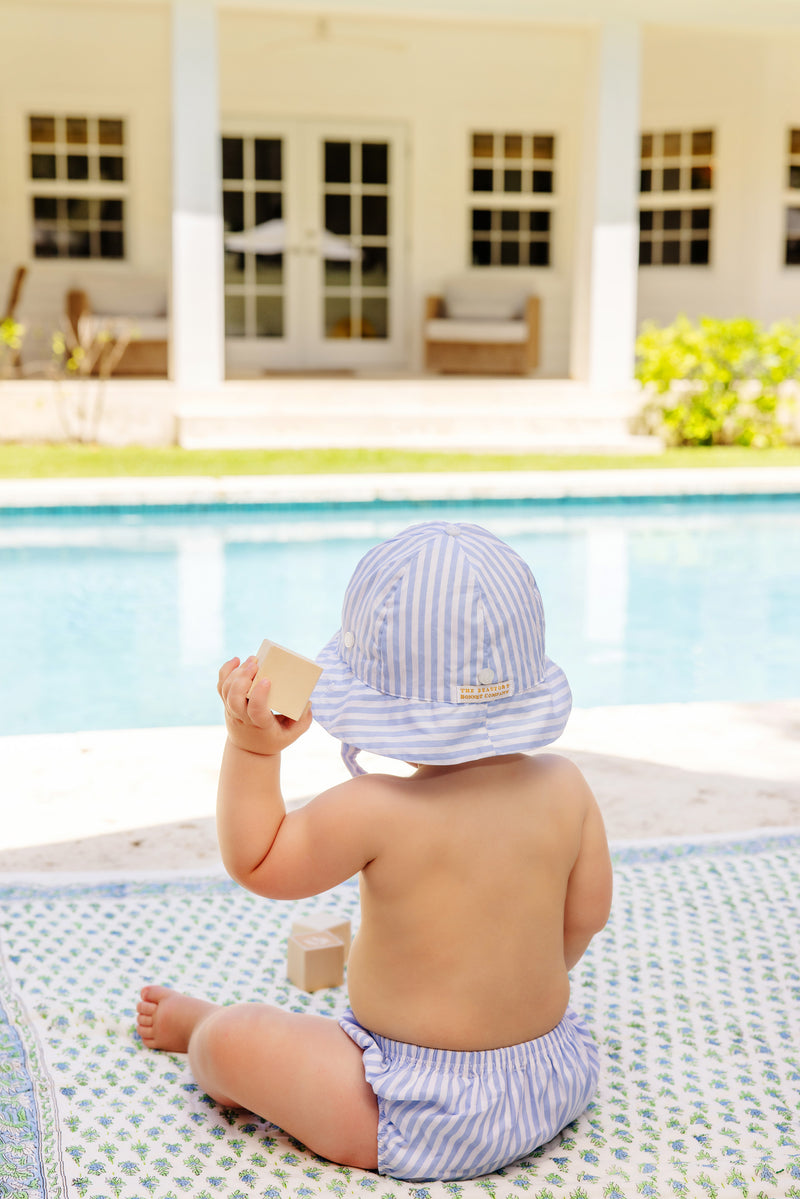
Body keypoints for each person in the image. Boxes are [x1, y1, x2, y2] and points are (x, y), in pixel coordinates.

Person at [136, 520, 613, 1182]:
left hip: (414, 1109)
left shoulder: (377, 808)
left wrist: (252, 749)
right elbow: (586, 916)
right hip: (548, 1078)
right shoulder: (566, 785)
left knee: (233, 1040)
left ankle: (203, 1028)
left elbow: (258, 861)